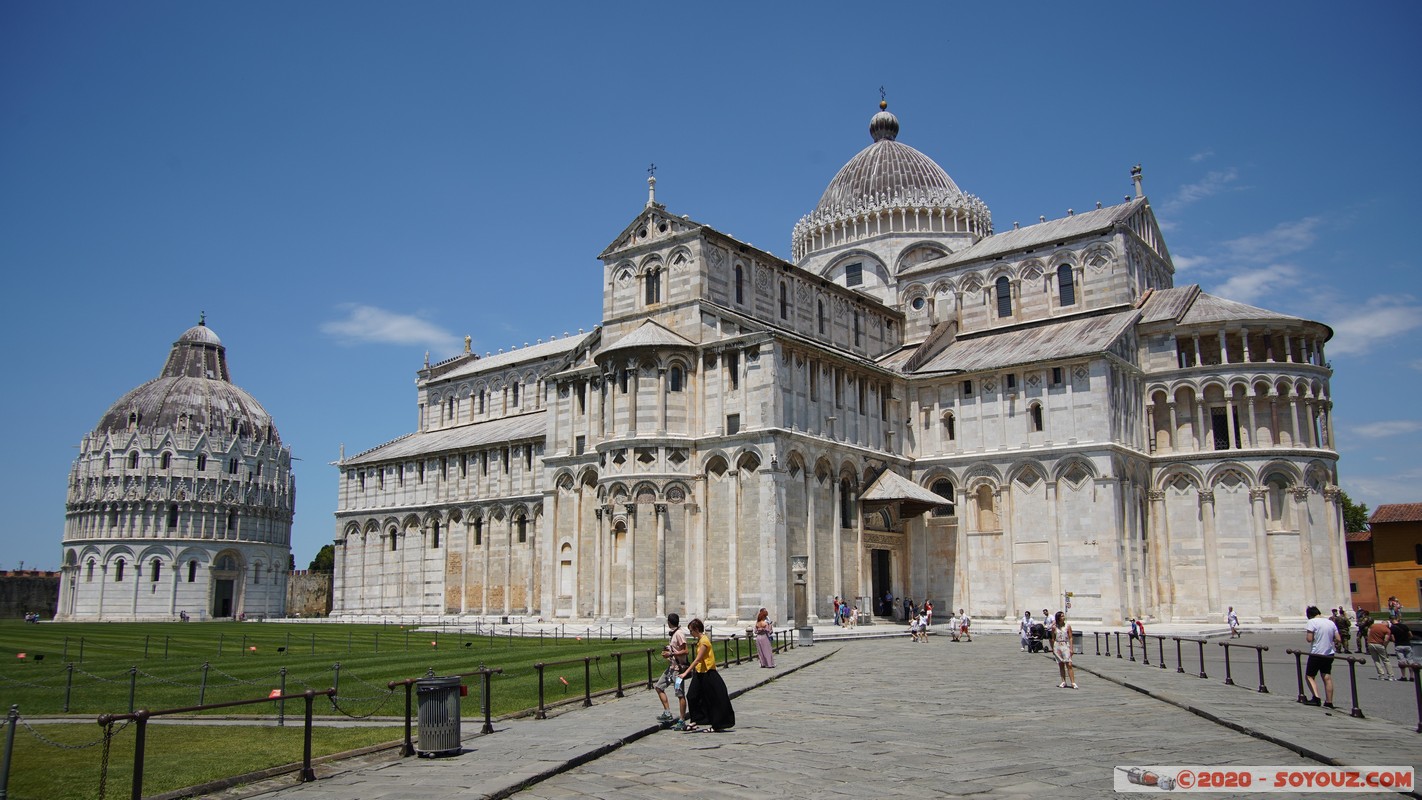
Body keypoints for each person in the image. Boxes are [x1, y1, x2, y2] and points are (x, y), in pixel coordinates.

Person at [680, 618, 735, 732]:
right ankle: (695, 720)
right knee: (692, 696)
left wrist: (685, 672)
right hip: (700, 673)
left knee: (713, 699)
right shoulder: (700, 640)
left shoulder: (704, 641)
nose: (690, 633)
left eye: (691, 630)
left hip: (708, 674)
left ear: (696, 629)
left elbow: (698, 659)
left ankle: (716, 724)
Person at [654, 613, 689, 723]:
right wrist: (669, 649)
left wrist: (671, 654)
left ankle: (682, 719)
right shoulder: (674, 633)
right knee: (659, 687)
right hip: (671, 669)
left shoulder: (679, 634)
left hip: (678, 671)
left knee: (680, 694)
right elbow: (677, 649)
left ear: (669, 622)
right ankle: (667, 712)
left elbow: (686, 651)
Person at [1303, 605, 1341, 708]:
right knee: (1327, 676)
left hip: (1317, 653)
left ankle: (1316, 698)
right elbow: (1338, 639)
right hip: (1329, 653)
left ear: (1309, 615)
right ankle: (1329, 702)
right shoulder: (1330, 622)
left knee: (1309, 676)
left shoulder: (1312, 622)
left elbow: (1309, 639)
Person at [1365, 614, 1394, 680]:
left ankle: (1381, 675)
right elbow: (1386, 640)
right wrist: (1384, 646)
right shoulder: (1387, 630)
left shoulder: (1373, 626)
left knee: (1376, 660)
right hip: (1379, 644)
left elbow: (1368, 634)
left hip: (1371, 644)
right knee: (1386, 660)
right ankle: (1390, 676)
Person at [1052, 611, 1077, 688]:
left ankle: (1073, 682)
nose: (1063, 617)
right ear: (1058, 618)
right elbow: (1053, 638)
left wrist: (1071, 648)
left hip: (1065, 645)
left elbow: (1070, 637)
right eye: (1062, 616)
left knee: (1069, 664)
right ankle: (1063, 681)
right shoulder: (1054, 627)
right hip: (1058, 645)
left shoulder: (1067, 626)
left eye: (1063, 616)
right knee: (1061, 664)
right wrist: (1053, 648)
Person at [1391, 617, 1414, 682]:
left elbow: (1393, 639)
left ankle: (1403, 676)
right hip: (1407, 645)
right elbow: (1411, 635)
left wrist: (1396, 641)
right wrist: (1407, 639)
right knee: (1410, 661)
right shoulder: (1405, 626)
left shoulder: (1392, 628)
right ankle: (1412, 676)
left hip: (1399, 645)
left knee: (1401, 661)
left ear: (1392, 621)